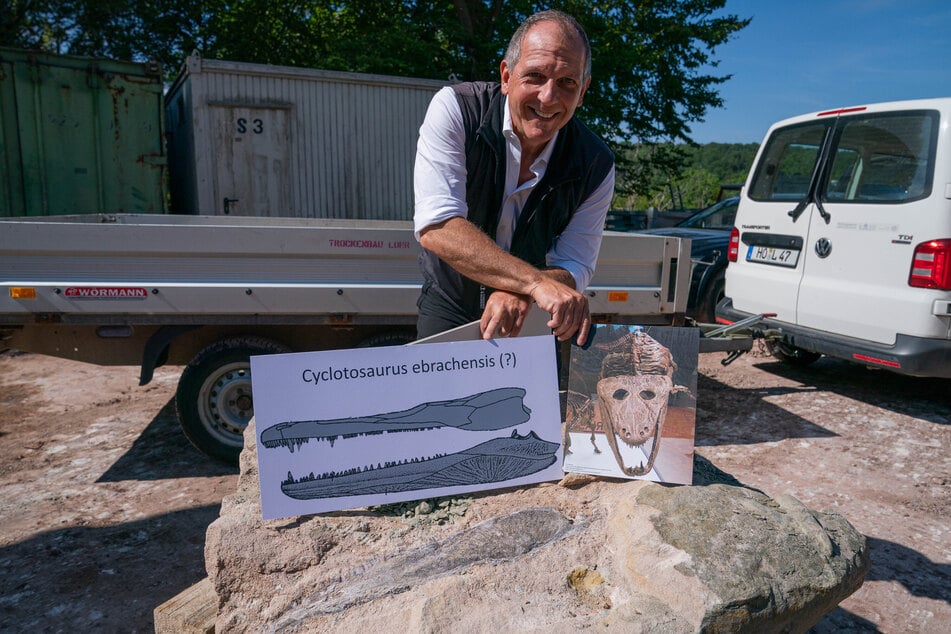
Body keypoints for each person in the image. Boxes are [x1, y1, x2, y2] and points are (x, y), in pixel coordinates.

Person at [413, 9, 615, 346]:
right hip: (450, 303)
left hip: (531, 315)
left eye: (567, 82)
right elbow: (438, 228)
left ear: (583, 92)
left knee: (526, 401)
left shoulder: (597, 162)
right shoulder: (457, 109)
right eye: (535, 76)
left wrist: (520, 291)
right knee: (438, 400)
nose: (548, 97)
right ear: (507, 76)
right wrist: (533, 284)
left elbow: (576, 263)